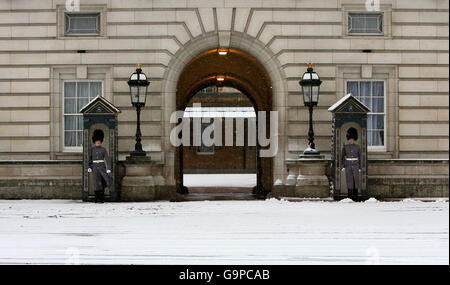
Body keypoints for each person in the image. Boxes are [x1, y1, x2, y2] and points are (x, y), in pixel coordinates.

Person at [88, 129, 112, 203]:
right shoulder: (92, 149)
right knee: (96, 182)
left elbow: (107, 159)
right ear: (94, 141)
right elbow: (90, 159)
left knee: (105, 181)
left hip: (102, 166)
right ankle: (97, 197)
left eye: (99, 141)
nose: (98, 142)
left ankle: (101, 197)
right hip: (95, 167)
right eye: (96, 141)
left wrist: (108, 168)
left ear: (101, 141)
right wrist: (89, 167)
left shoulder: (103, 149)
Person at [341, 127, 361, 201]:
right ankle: (349, 195)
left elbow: (360, 157)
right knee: (349, 180)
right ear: (348, 139)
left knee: (356, 180)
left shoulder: (357, 147)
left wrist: (360, 167)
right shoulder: (345, 147)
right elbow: (342, 157)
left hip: (355, 165)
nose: (351, 140)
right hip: (348, 165)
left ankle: (355, 195)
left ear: (354, 139)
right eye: (350, 139)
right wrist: (343, 166)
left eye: (352, 139)